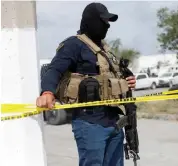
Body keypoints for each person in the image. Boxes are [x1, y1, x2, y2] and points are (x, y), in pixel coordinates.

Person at [36, 2, 136, 166]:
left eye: (108, 23)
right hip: (90, 122)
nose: (107, 26)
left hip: (114, 120)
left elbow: (116, 75)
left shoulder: (105, 49)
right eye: (103, 22)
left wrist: (128, 81)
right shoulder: (73, 45)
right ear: (91, 21)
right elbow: (54, 70)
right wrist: (47, 92)